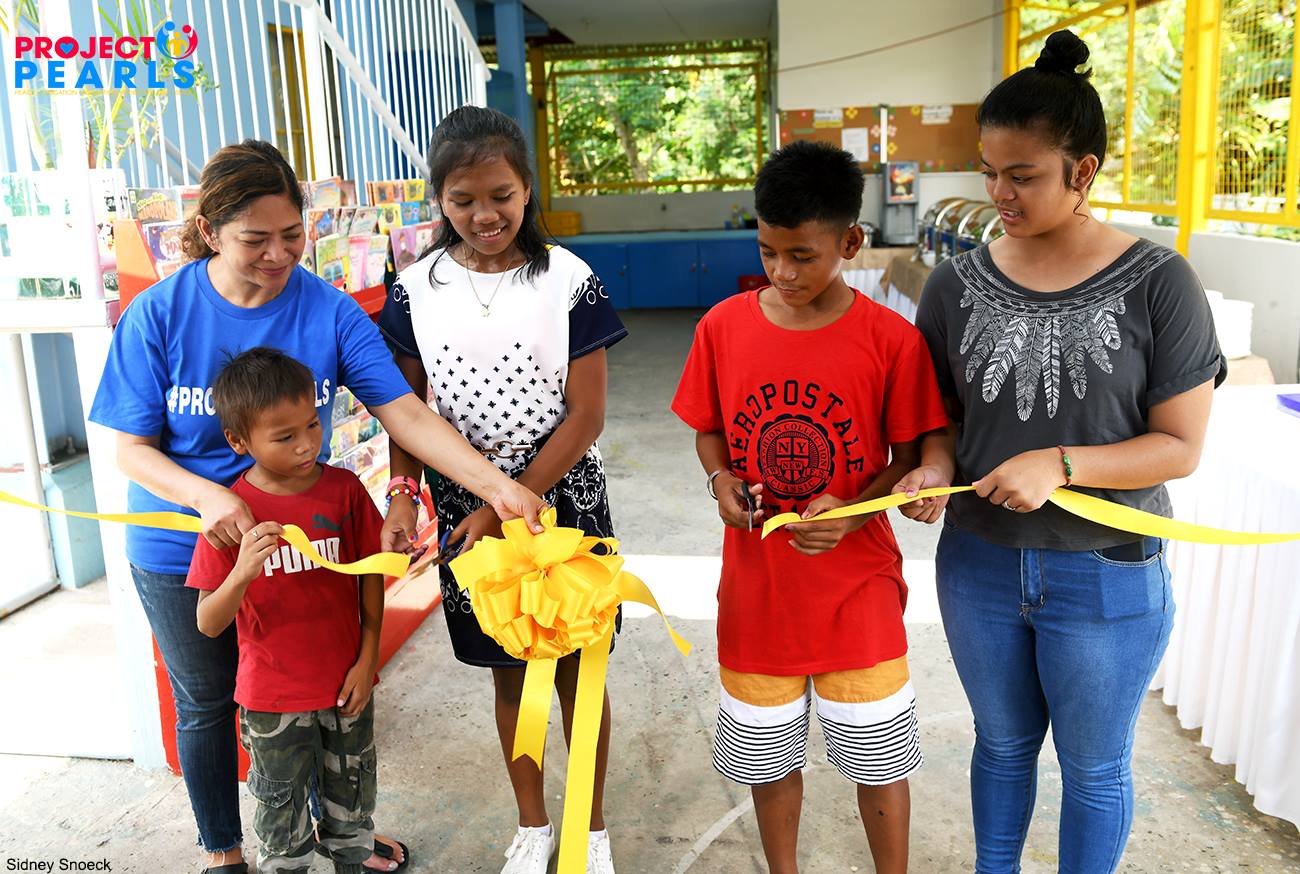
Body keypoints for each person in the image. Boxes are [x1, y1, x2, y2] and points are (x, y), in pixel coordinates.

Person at [88, 140, 544, 874]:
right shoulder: (158, 314)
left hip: (307, 551)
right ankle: (225, 854)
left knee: (313, 694)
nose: (278, 255)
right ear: (209, 231)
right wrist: (207, 497)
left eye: (291, 235)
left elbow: (406, 413)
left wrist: (499, 486)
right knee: (207, 703)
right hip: (183, 548)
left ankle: (332, 837)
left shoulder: (327, 310)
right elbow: (131, 450)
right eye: (255, 240)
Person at [893, 30, 1226, 874]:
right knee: (1002, 745)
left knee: (1093, 766)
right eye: (989, 172)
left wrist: (1062, 463)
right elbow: (941, 421)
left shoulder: (1159, 282)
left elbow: (1181, 446)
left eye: (1023, 175)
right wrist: (933, 468)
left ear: (1084, 171)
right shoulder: (955, 285)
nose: (999, 194)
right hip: (980, 564)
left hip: (1106, 570)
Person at [671, 140, 949, 874]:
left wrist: (855, 511)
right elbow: (708, 429)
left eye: (802, 256)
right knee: (766, 765)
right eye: (768, 252)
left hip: (858, 592)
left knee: (880, 764)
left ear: (850, 243)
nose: (782, 273)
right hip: (758, 593)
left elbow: (908, 455)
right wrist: (720, 480)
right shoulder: (722, 327)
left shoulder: (890, 341)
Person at [377, 106, 627, 874]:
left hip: (566, 498)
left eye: (501, 195)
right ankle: (533, 824)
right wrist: (403, 492)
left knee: (579, 671)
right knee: (510, 670)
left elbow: (586, 416)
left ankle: (588, 828)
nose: (485, 215)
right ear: (439, 200)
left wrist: (506, 502)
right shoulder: (413, 290)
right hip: (462, 507)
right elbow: (406, 410)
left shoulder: (570, 280)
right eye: (463, 200)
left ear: (527, 188)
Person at [188, 347, 386, 874]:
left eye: (312, 426)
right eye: (284, 437)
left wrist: (368, 659)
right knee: (283, 832)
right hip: (272, 701)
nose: (306, 445)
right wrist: (241, 571)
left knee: (352, 817)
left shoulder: (344, 491)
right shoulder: (231, 514)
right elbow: (208, 621)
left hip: (346, 686)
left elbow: (370, 577)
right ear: (239, 441)